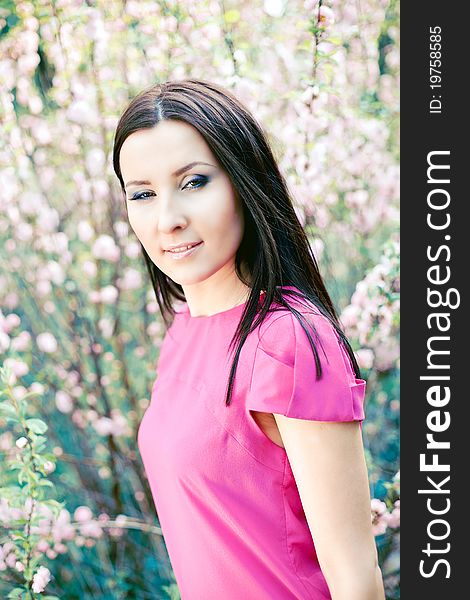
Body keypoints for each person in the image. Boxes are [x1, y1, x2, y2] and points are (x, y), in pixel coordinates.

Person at [112, 79, 385, 599]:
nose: (168, 219)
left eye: (194, 182)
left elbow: (358, 584)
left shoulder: (288, 340)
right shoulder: (182, 333)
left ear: (243, 181)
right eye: (143, 194)